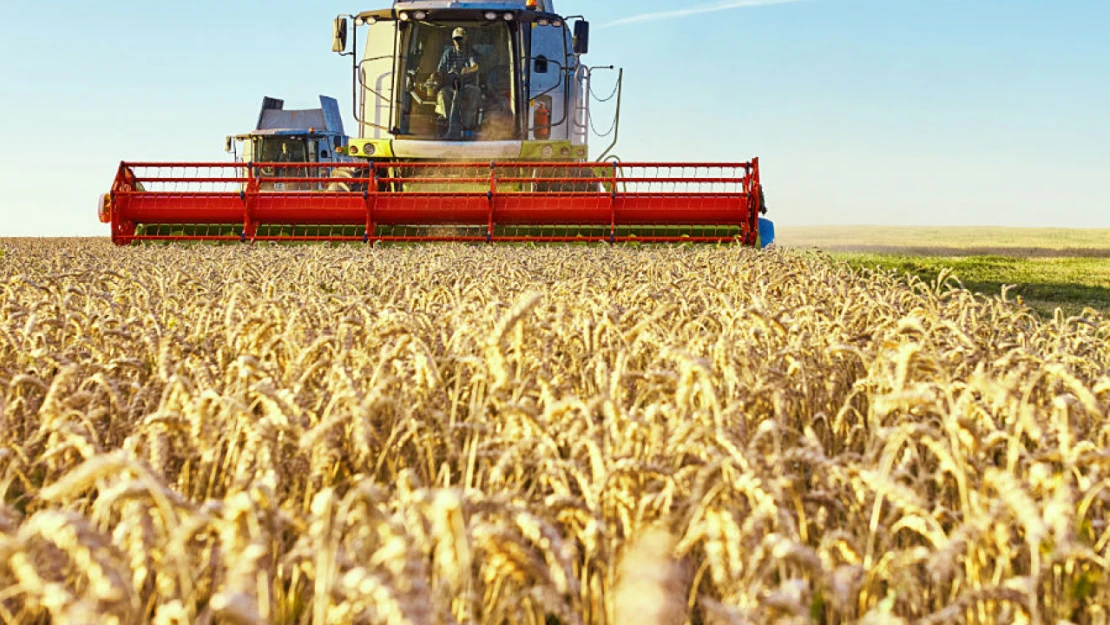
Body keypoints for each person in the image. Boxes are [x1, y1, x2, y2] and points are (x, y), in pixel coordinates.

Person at [434, 27, 481, 138]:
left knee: (474, 92)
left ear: (465, 38)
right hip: (451, 86)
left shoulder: (470, 52)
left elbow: (475, 66)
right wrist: (436, 75)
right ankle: (447, 122)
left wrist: (468, 70)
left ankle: (467, 125)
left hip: (467, 85)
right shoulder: (448, 53)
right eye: (456, 39)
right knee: (443, 94)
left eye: (460, 38)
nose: (458, 41)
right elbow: (441, 70)